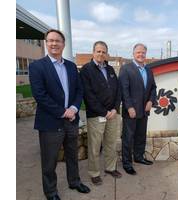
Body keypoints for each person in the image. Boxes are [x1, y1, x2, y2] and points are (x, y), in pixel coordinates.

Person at [29, 29, 90, 200]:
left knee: (72, 154)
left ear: (64, 44)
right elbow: (40, 95)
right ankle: (51, 192)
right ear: (46, 43)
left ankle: (75, 181)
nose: (54, 43)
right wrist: (63, 112)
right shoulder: (37, 66)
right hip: (50, 122)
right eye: (50, 40)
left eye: (57, 41)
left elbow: (79, 90)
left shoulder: (71, 66)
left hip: (71, 120)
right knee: (49, 161)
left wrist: (74, 109)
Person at [80, 41, 122, 185]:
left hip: (112, 114)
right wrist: (104, 112)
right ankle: (94, 172)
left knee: (111, 143)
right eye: (98, 51)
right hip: (96, 115)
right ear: (93, 52)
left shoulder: (110, 70)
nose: (101, 54)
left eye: (103, 52)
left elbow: (118, 90)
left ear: (107, 54)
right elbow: (88, 96)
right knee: (95, 146)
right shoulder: (86, 70)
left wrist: (115, 109)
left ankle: (110, 168)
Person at [119, 43, 157, 175]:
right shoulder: (126, 69)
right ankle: (127, 163)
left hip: (144, 110)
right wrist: (129, 107)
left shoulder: (148, 70)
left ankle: (139, 157)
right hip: (131, 111)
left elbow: (153, 88)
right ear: (133, 54)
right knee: (128, 138)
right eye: (138, 52)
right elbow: (124, 90)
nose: (141, 55)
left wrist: (151, 101)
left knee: (141, 136)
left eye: (143, 52)